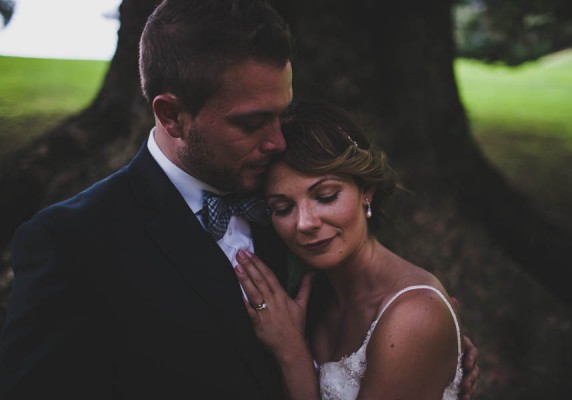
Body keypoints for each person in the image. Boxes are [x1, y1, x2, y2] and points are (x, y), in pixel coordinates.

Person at [0, 1, 478, 399]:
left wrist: (424, 352)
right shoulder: (72, 244)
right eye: (252, 123)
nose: (277, 142)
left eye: (282, 115)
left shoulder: (279, 194)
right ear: (171, 115)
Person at [234, 100, 476, 399]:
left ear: (366, 191)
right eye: (283, 208)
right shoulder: (311, 293)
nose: (304, 223)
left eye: (325, 196)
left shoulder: (413, 316)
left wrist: (291, 352)